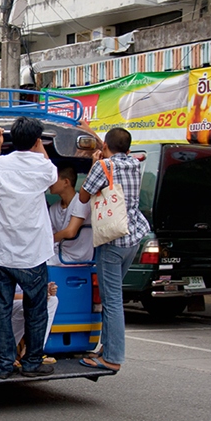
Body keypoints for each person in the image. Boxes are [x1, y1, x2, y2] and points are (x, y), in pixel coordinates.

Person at [0, 118, 57, 379]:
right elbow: (52, 175)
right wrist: (39, 147)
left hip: (3, 251)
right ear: (37, 141)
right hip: (33, 252)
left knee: (3, 310)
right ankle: (31, 363)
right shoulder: (43, 166)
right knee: (35, 310)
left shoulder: (1, 164)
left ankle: (4, 365)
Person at [77, 127, 150, 373]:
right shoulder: (134, 165)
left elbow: (84, 196)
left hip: (111, 240)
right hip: (132, 237)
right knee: (113, 297)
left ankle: (112, 356)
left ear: (106, 147)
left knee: (112, 301)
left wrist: (95, 165)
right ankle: (105, 348)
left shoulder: (103, 166)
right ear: (128, 148)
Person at [0, 251, 58, 364]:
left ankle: (32, 351)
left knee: (52, 300)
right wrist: (37, 296)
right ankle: (3, 351)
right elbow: (2, 295)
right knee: (25, 306)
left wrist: (45, 290)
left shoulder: (30, 256)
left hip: (18, 302)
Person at [47, 164, 94, 265]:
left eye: (54, 178)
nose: (50, 182)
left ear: (66, 182)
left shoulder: (82, 201)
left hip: (78, 258)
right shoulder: (54, 208)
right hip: (58, 255)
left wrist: (46, 240)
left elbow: (69, 232)